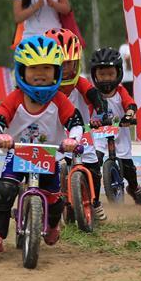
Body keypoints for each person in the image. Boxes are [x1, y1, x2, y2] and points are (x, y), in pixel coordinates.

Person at [0, 36, 83, 253]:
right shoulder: (15, 98)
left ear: (56, 71)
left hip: (49, 157)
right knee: (4, 190)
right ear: (21, 70)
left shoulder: (58, 100)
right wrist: (0, 136)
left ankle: (53, 224)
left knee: (55, 201)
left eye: (47, 68)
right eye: (34, 67)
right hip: (18, 154)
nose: (40, 73)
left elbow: (75, 122)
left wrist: (72, 140)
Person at [44, 28, 107, 220]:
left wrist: (102, 112)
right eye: (60, 64)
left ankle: (94, 202)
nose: (65, 69)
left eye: (69, 64)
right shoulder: (43, 86)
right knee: (48, 169)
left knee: (94, 168)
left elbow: (95, 96)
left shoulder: (80, 82)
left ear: (76, 62)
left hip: (82, 131)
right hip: (55, 134)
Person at [87, 47, 141, 206]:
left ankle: (134, 189)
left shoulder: (120, 91)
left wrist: (128, 116)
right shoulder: (93, 94)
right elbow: (87, 111)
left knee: (128, 169)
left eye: (110, 74)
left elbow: (131, 104)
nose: (106, 78)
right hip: (100, 135)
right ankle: (92, 198)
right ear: (95, 75)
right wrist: (90, 121)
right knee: (94, 163)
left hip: (119, 133)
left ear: (118, 72)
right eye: (102, 74)